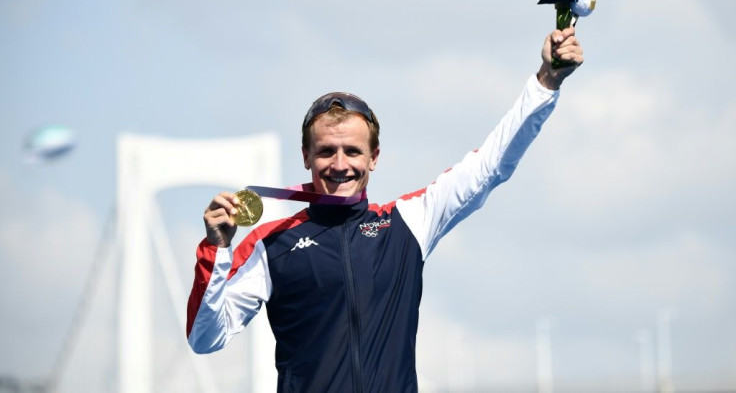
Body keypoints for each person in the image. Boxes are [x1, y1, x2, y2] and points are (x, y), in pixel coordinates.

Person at [187, 28, 584, 392]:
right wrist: (217, 250)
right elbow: (206, 338)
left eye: (352, 151)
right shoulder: (271, 244)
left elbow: (490, 165)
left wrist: (547, 81)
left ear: (374, 157)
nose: (339, 165)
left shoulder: (407, 222)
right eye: (326, 151)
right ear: (306, 156)